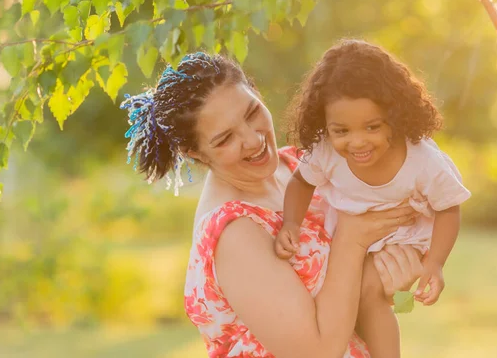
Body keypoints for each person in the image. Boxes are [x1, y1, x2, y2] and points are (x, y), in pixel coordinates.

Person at [120, 52, 423, 357]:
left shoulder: (300, 167)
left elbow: (343, 303)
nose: (253, 140)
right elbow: (314, 353)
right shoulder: (234, 231)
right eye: (225, 139)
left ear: (255, 91)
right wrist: (353, 240)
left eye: (251, 113)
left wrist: (384, 281)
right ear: (194, 153)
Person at [275, 39, 471, 357]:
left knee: (369, 292)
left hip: (403, 235)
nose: (357, 142)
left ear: (394, 115)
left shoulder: (422, 161)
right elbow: (300, 183)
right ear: (324, 125)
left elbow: (449, 208)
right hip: (349, 233)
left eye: (372, 127)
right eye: (342, 131)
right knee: (346, 304)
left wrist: (435, 263)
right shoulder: (325, 151)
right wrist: (292, 223)